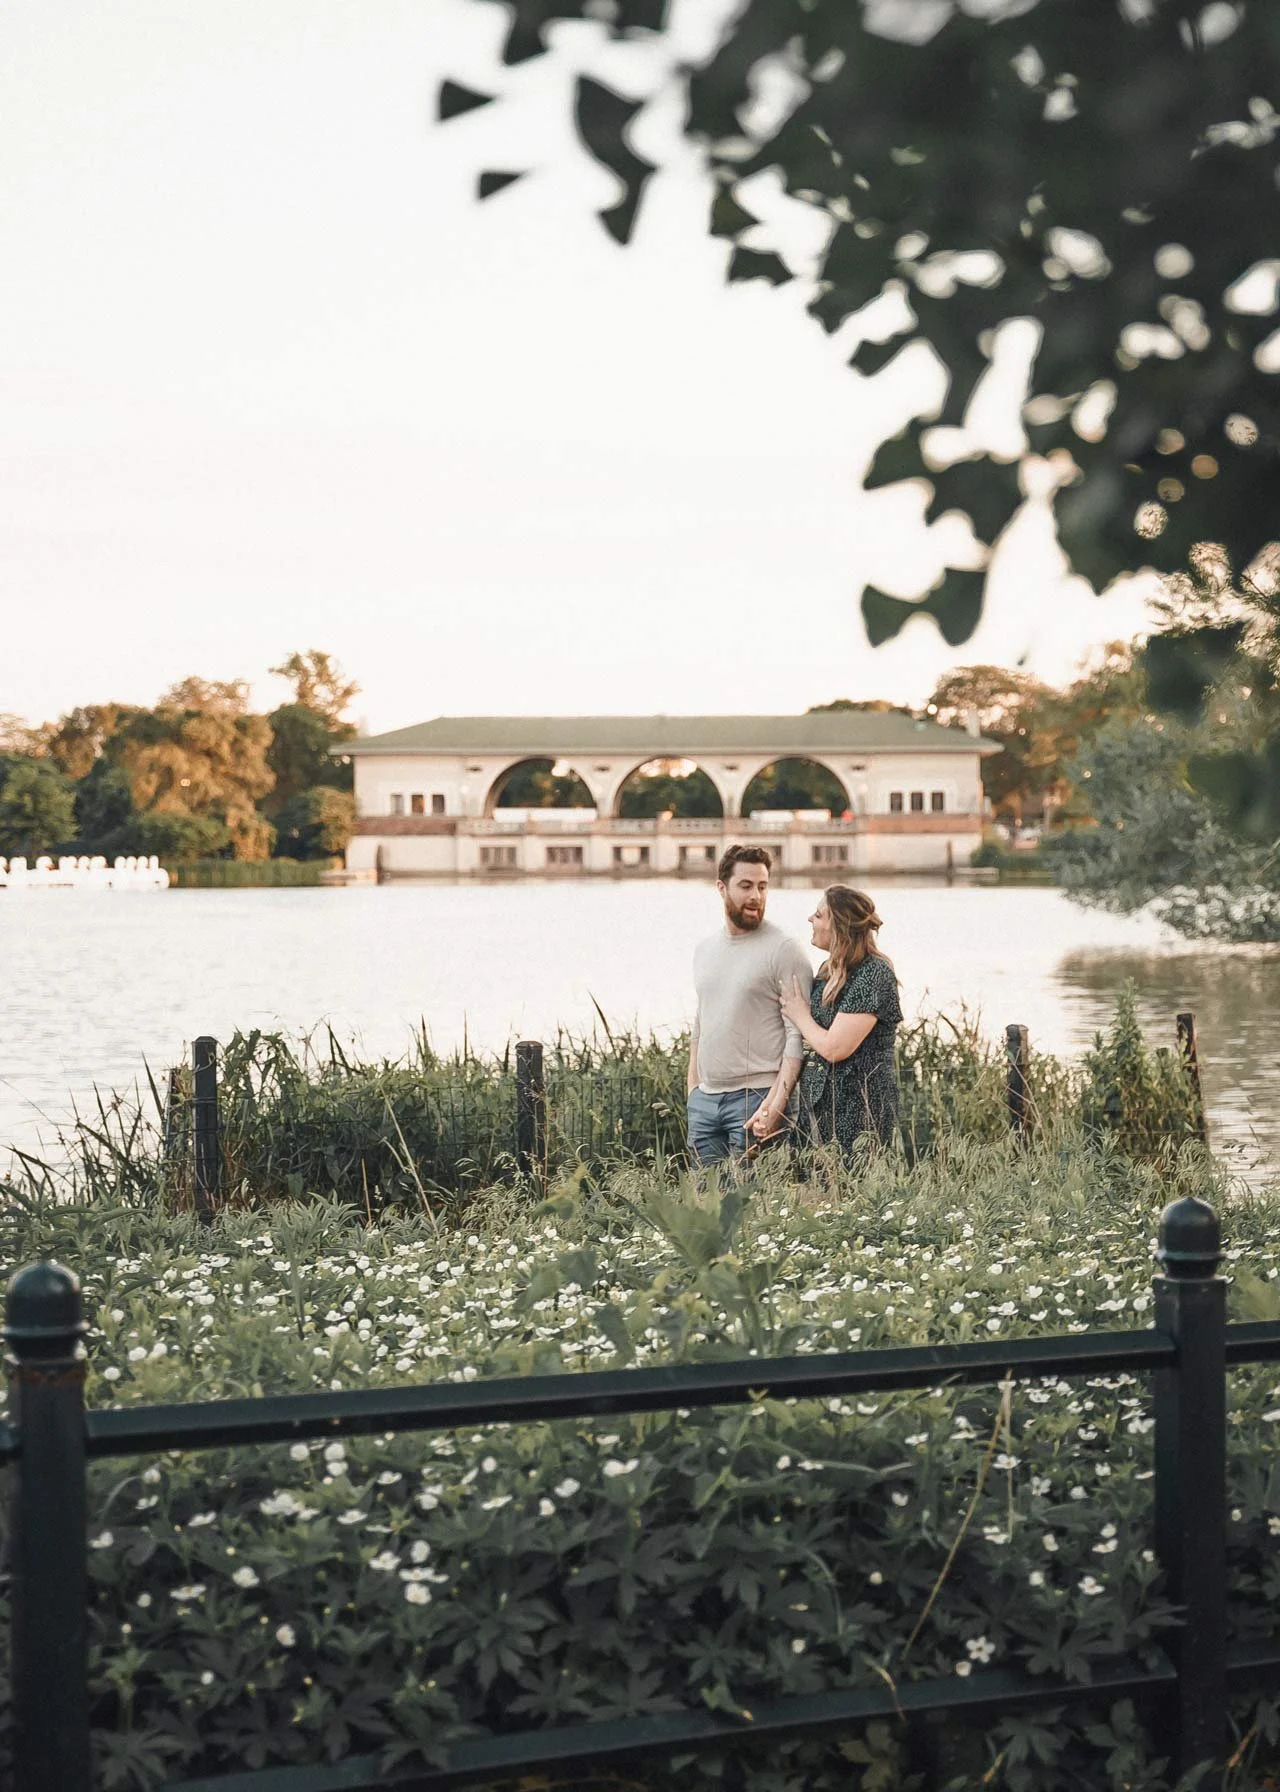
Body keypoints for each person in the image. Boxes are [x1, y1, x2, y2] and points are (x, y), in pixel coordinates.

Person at [686, 844, 812, 1166]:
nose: (756, 896)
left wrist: (776, 1104)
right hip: (705, 1102)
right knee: (708, 1208)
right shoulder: (704, 950)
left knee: (757, 1209)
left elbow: (797, 1037)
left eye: (762, 886)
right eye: (745, 886)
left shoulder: (784, 950)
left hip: (758, 1098)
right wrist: (693, 1092)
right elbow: (701, 1021)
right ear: (721, 887)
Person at [780, 886, 903, 1154]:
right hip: (816, 1109)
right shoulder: (828, 970)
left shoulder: (874, 973)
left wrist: (800, 1015)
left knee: (853, 1189)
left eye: (819, 915)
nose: (810, 920)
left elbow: (835, 1048)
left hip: (859, 1113)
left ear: (840, 926)